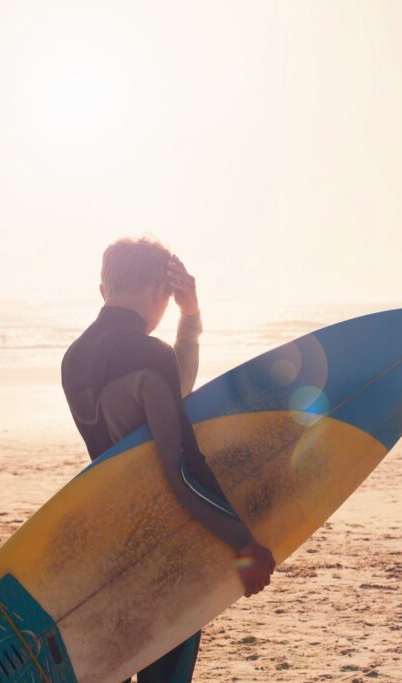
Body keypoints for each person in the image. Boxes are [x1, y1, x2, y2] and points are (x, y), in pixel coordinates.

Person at [61, 237, 276, 683]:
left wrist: (189, 318)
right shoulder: (149, 355)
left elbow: (159, 402)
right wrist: (242, 541)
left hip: (109, 544)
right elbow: (180, 465)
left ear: (104, 288)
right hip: (163, 544)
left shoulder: (73, 359)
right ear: (162, 290)